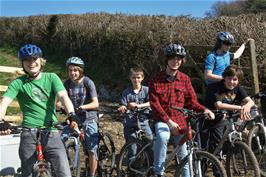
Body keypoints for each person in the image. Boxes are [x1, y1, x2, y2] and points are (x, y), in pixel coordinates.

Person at [0, 44, 75, 177]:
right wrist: (1, 121)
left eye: (34, 59)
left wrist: (72, 114)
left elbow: (63, 96)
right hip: (28, 132)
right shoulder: (18, 83)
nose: (31, 63)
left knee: (64, 172)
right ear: (22, 64)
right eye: (27, 60)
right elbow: (4, 102)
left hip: (51, 131)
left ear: (40, 60)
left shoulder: (51, 77)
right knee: (27, 173)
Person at [148, 43, 215, 177]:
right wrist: (168, 122)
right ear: (167, 59)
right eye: (172, 58)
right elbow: (154, 104)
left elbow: (192, 102)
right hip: (162, 119)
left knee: (185, 154)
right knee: (162, 136)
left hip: (181, 121)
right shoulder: (155, 78)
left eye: (179, 59)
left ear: (182, 61)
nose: (175, 61)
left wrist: (205, 110)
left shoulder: (185, 79)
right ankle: (158, 172)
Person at [201, 64, 255, 154]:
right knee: (210, 144)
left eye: (235, 79)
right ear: (224, 77)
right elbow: (219, 105)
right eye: (229, 78)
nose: (231, 82)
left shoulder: (237, 88)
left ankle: (220, 161)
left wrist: (247, 106)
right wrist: (240, 107)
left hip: (223, 117)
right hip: (209, 118)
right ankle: (209, 164)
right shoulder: (214, 87)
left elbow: (250, 101)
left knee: (221, 141)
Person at [60, 56, 99, 177]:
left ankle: (91, 174)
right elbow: (59, 100)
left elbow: (95, 103)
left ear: (80, 71)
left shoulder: (88, 82)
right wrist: (60, 106)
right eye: (70, 70)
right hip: (74, 118)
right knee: (60, 141)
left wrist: (82, 107)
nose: (72, 73)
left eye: (75, 70)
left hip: (89, 117)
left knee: (92, 148)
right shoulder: (66, 84)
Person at [118, 67, 153, 144]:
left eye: (138, 78)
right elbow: (123, 105)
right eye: (134, 78)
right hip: (130, 123)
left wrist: (138, 105)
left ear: (142, 78)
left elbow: (151, 102)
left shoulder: (147, 90)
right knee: (132, 148)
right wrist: (122, 108)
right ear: (130, 78)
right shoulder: (126, 92)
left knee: (150, 143)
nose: (136, 80)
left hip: (143, 122)